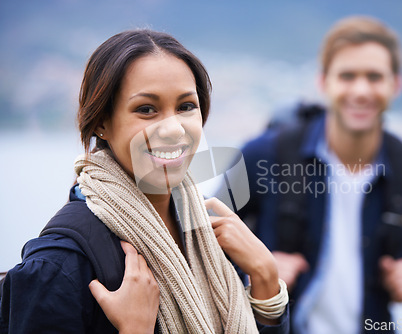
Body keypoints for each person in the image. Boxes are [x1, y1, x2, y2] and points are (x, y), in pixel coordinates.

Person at [0, 29, 289, 334]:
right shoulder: (59, 267)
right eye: (146, 109)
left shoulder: (210, 243)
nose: (174, 129)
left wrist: (266, 279)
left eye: (186, 106)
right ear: (101, 123)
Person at [235, 16, 402, 333]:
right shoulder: (260, 155)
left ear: (396, 84)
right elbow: (203, 239)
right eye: (347, 76)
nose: (360, 91)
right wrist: (256, 272)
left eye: (374, 77)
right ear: (323, 82)